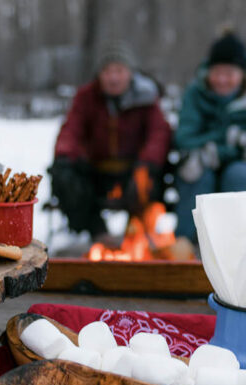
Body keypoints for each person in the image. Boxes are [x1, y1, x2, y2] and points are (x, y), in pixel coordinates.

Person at [49, 41, 172, 241]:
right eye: (107, 71)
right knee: (64, 175)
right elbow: (71, 130)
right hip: (96, 172)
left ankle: (135, 235)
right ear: (100, 74)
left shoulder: (147, 98)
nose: (113, 77)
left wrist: (148, 162)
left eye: (119, 70)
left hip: (134, 170)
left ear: (130, 73)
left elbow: (159, 134)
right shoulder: (86, 97)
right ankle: (98, 233)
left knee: (147, 181)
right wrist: (65, 154)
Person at [173, 32, 246, 244]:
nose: (222, 79)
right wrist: (224, 141)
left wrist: (218, 149)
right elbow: (184, 137)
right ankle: (187, 247)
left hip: (242, 170)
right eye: (217, 72)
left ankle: (239, 245)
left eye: (229, 73)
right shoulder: (194, 94)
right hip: (203, 163)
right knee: (197, 173)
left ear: (242, 74)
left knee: (238, 175)